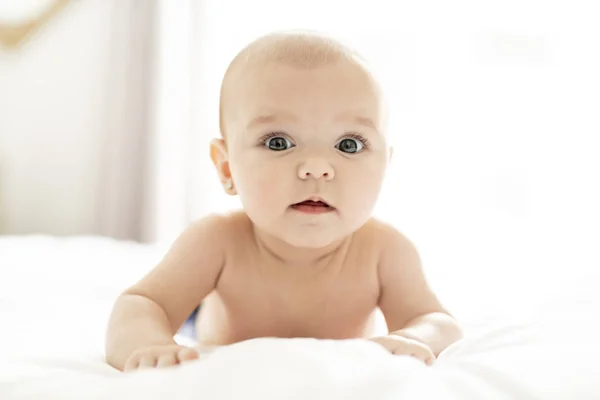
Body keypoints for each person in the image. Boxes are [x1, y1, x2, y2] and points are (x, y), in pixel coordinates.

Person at [104, 30, 463, 372]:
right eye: (279, 142)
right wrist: (148, 344)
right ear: (227, 168)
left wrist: (414, 337)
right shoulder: (216, 241)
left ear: (385, 165)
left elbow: (437, 323)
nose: (317, 169)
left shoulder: (385, 251)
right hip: (209, 324)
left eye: (349, 145)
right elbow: (141, 304)